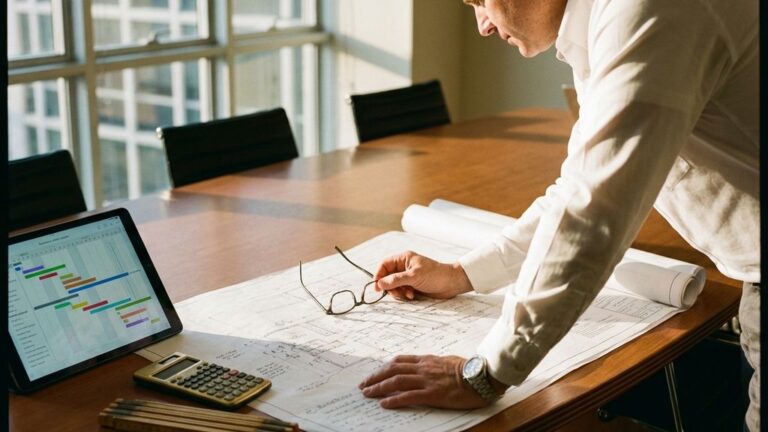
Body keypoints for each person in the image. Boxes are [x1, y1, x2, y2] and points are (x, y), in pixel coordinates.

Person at [357, 0, 760, 430]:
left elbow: (593, 213)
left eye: (480, 2)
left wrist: (486, 371)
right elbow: (576, 190)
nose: (482, 27)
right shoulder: (608, 20)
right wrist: (463, 274)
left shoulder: (646, 13)